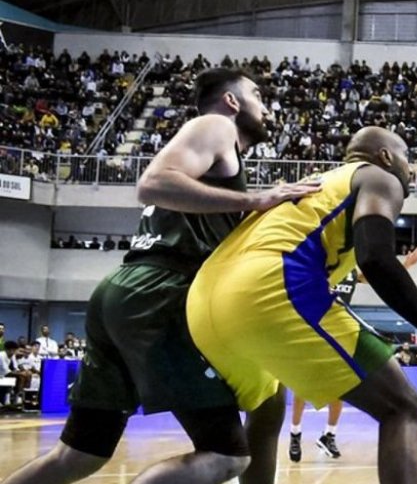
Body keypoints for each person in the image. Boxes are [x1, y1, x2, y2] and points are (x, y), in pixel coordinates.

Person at [4, 68, 316, 484]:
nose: (267, 106)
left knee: (79, 455)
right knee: (226, 456)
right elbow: (152, 183)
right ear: (232, 101)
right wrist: (257, 199)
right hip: (162, 294)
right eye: (257, 94)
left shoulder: (219, 169)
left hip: (123, 293)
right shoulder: (216, 125)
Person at [186, 126, 417, 483]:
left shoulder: (317, 185)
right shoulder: (378, 177)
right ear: (386, 157)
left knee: (266, 411)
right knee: (403, 405)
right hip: (270, 288)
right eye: (406, 158)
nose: (410, 168)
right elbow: (376, 259)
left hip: (204, 302)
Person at [287, 247, 417, 463]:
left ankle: (329, 435)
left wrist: (405, 265)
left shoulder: (351, 269)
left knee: (341, 386)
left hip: (339, 332)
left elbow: (373, 278)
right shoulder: (321, 266)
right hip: (311, 329)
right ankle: (295, 434)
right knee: (301, 389)